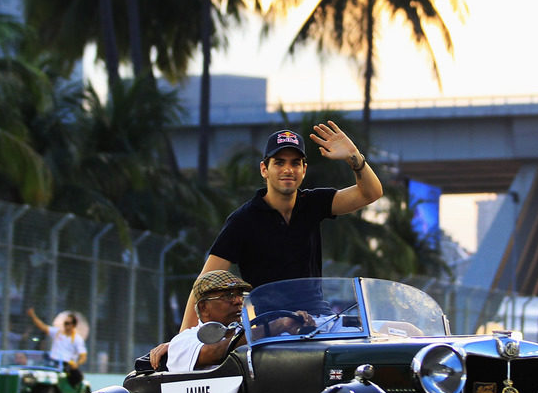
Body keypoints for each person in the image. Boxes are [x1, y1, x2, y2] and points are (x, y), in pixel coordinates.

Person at [150, 121, 381, 367]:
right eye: (279, 162)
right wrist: (183, 339)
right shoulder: (243, 220)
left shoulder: (313, 203)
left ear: (304, 169)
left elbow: (371, 193)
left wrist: (354, 158)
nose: (287, 169)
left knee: (393, 331)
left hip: (321, 320)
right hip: (270, 327)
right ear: (264, 169)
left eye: (294, 163)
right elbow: (203, 284)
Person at [166, 270, 313, 372]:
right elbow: (216, 352)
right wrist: (277, 326)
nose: (238, 301)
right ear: (204, 307)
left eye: (240, 295)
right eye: (228, 295)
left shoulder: (251, 334)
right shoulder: (183, 341)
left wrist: (299, 331)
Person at [26, 308, 87, 385]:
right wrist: (32, 315)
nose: (65, 325)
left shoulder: (77, 339)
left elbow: (83, 356)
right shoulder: (57, 332)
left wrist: (76, 364)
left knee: (78, 377)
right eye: (65, 323)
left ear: (73, 325)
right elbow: (42, 327)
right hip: (53, 362)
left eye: (68, 323)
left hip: (67, 364)